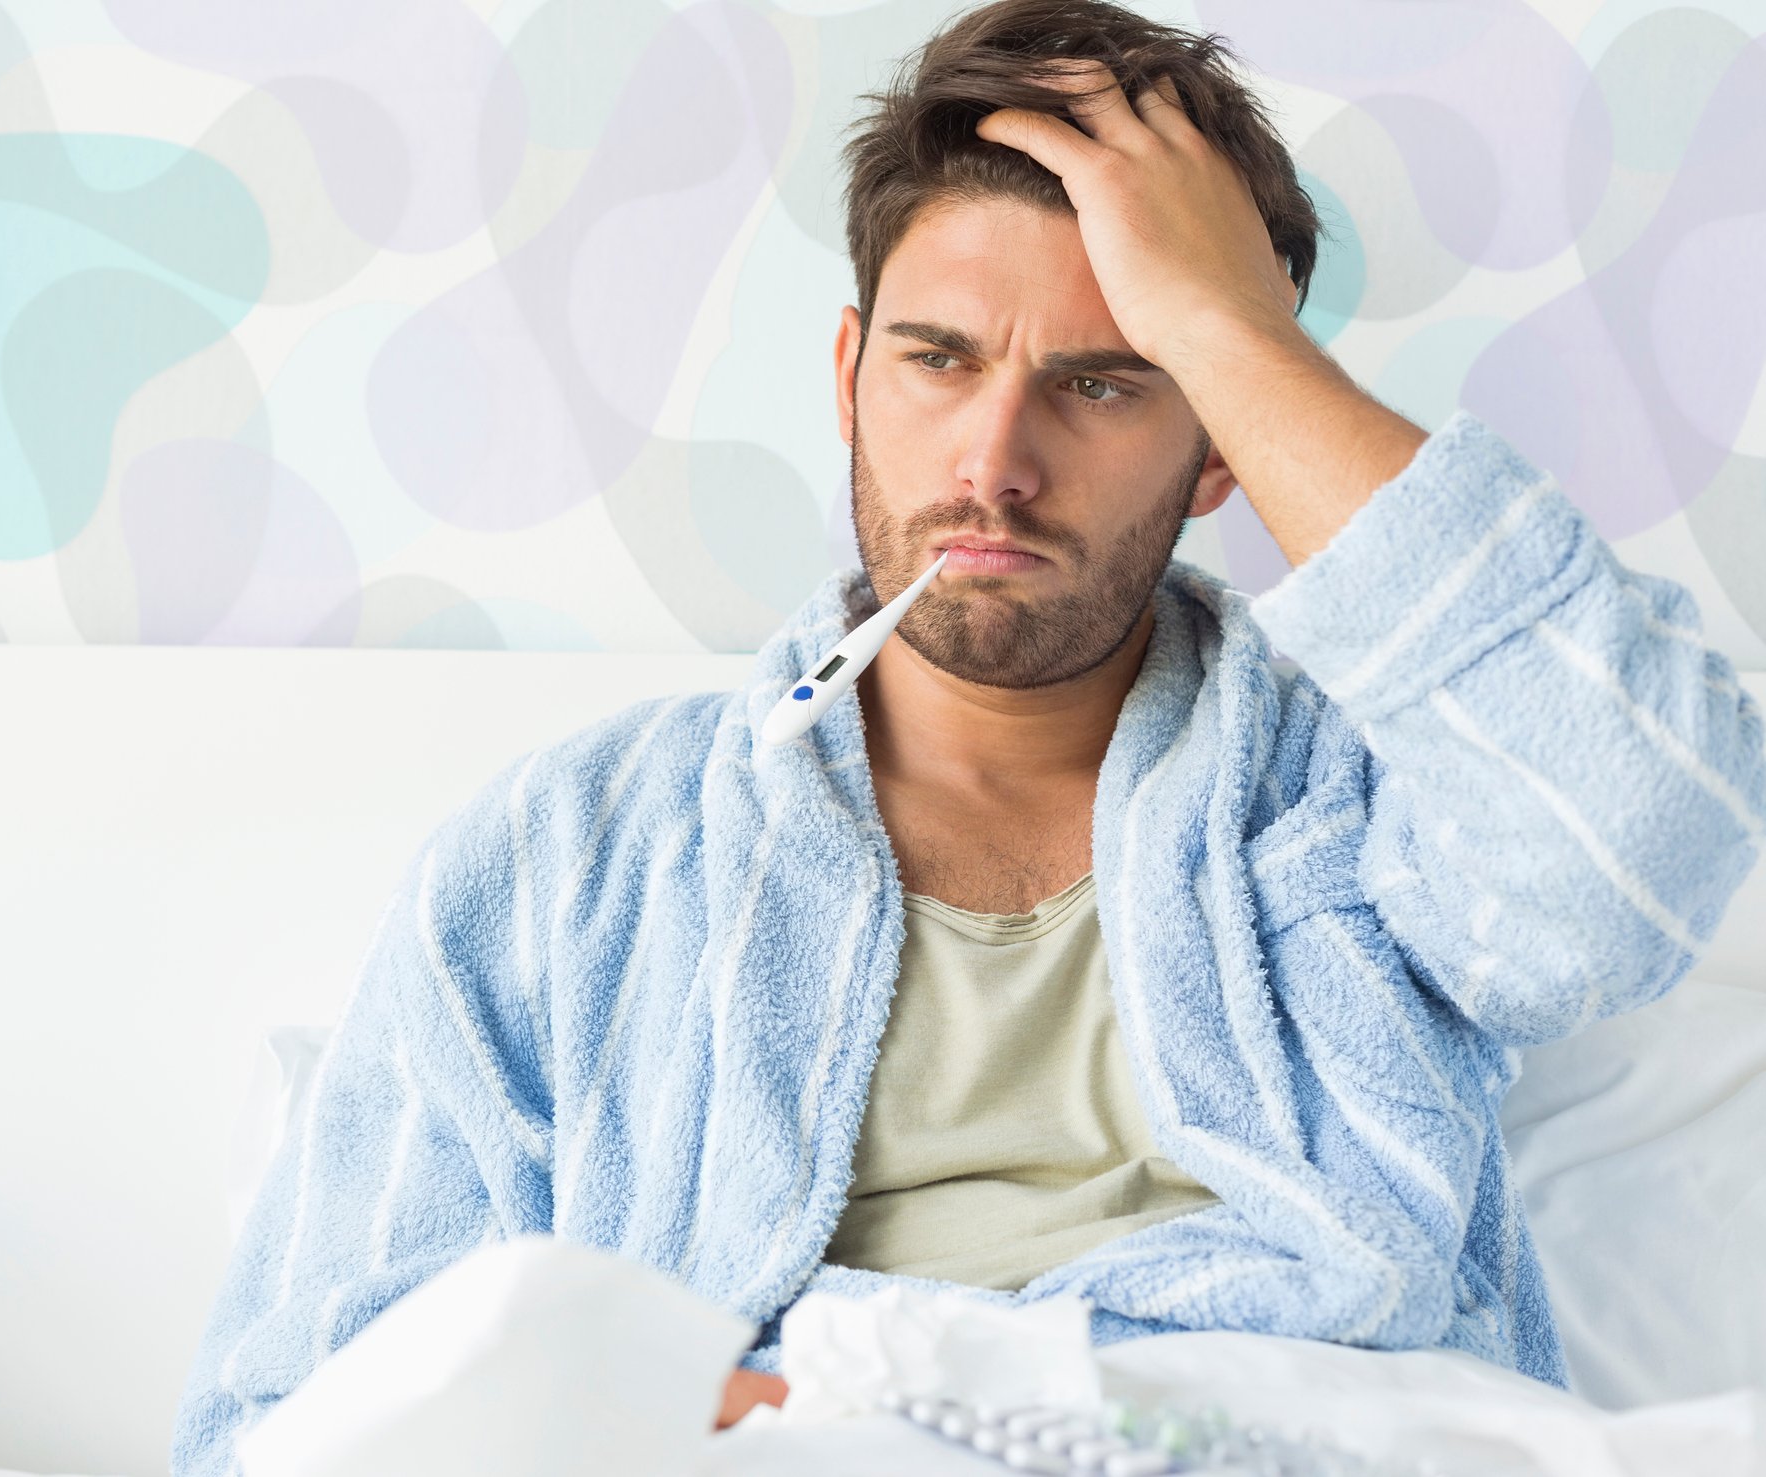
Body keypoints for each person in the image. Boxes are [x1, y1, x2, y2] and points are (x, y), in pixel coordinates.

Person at [171, 2, 1766, 1470]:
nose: (996, 460)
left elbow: (1639, 836)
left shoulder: (1364, 803)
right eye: (938, 361)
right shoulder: (565, 856)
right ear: (854, 377)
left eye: (1105, 382)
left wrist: (1230, 333)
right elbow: (298, 1408)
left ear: (1219, 452)